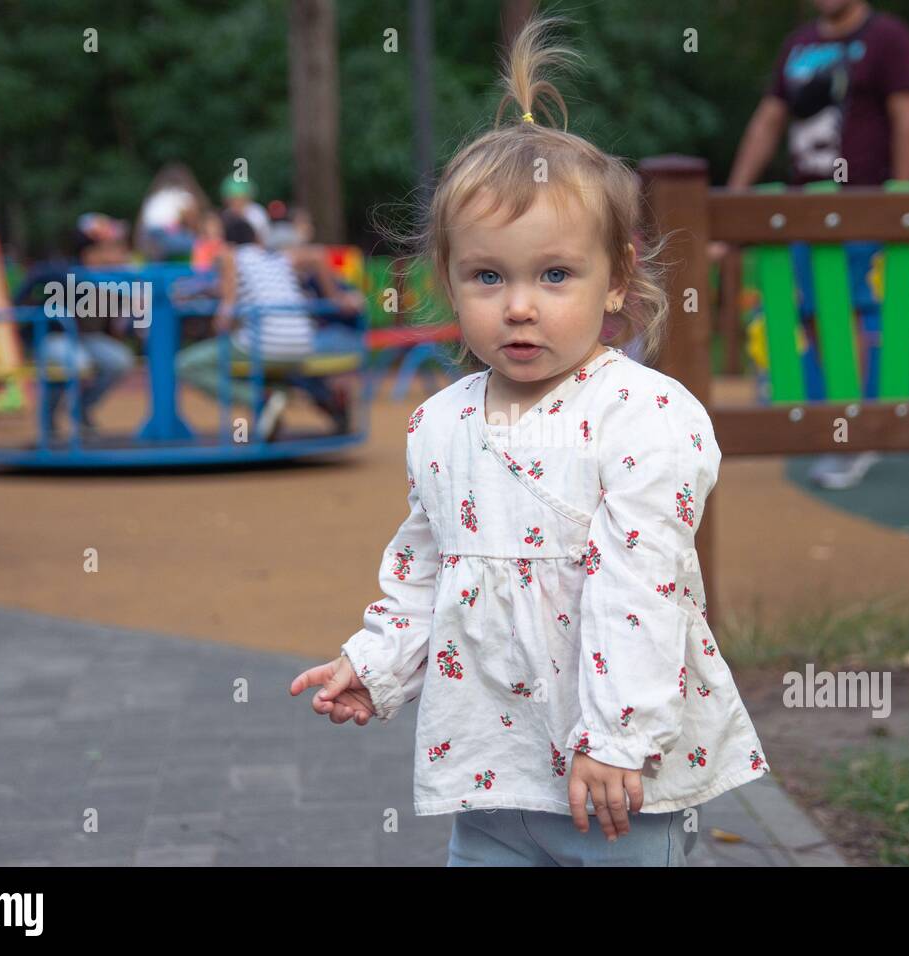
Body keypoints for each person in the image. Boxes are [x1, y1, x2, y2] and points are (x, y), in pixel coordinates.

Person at [288, 15, 770, 868]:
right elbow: (426, 567)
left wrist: (617, 738)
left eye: (554, 275)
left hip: (615, 782)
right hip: (489, 764)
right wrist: (378, 663)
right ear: (448, 281)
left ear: (617, 276)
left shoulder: (644, 416)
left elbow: (643, 588)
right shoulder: (442, 424)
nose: (519, 305)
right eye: (487, 276)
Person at [716, 0, 909, 489]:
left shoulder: (886, 37)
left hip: (860, 202)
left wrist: (905, 199)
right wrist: (734, 199)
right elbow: (768, 121)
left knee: (841, 312)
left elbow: (907, 117)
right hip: (806, 204)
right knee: (812, 314)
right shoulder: (800, 43)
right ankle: (837, 423)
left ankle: (850, 434)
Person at [175, 212, 365, 440]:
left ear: (225, 240)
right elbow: (318, 255)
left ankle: (260, 400)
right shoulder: (278, 257)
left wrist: (212, 314)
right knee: (279, 363)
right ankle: (322, 402)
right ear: (256, 237)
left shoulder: (229, 257)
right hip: (302, 344)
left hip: (264, 346)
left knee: (186, 365)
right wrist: (335, 297)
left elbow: (225, 314)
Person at [37, 214, 136, 434]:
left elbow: (121, 323)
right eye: (110, 248)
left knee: (120, 361)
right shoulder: (66, 273)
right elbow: (38, 279)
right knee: (76, 363)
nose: (118, 254)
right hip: (54, 336)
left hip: (86, 339)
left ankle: (81, 408)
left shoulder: (115, 279)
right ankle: (48, 418)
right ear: (89, 252)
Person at [135, 163, 211, 261]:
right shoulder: (181, 194)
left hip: (150, 235)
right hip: (164, 233)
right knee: (197, 243)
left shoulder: (156, 196)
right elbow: (191, 216)